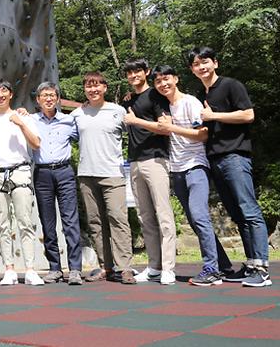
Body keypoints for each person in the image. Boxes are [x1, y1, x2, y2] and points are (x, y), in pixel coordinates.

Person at [188, 46, 270, 287]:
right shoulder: (201, 93)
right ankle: (251, 264)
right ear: (192, 70)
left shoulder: (231, 85)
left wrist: (214, 116)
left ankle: (262, 269)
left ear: (215, 63)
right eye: (196, 64)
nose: (201, 67)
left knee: (249, 210)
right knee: (237, 214)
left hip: (235, 156)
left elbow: (248, 115)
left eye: (205, 61)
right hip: (215, 160)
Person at [151, 65, 233, 286]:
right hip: (176, 170)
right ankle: (222, 266)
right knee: (195, 221)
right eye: (158, 81)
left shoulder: (190, 102)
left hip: (196, 166)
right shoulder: (164, 107)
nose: (163, 84)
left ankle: (211, 269)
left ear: (176, 79)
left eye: (166, 79)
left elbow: (202, 134)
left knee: (199, 216)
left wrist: (171, 128)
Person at [0, 80, 43, 286]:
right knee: (2, 223)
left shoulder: (24, 117)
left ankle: (30, 269)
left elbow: (36, 143)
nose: (0, 94)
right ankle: (9, 269)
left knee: (25, 221)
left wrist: (21, 123)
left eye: (4, 90)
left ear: (11, 94)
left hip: (20, 171)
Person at [71, 72, 135, 284]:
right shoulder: (77, 114)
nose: (93, 90)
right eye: (89, 86)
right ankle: (105, 267)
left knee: (118, 219)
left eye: (97, 85)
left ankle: (125, 267)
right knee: (95, 222)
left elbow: (136, 131)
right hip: (86, 174)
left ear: (105, 87)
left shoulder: (118, 111)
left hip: (113, 173)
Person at [121, 58, 177, 285]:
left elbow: (166, 127)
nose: (133, 75)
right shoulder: (129, 99)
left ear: (146, 72)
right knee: (145, 217)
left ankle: (169, 268)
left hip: (156, 159)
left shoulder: (155, 95)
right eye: (129, 73)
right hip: (134, 162)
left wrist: (136, 121)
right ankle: (154, 266)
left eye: (137, 71)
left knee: (164, 215)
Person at [29, 81, 83, 285]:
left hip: (64, 171)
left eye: (52, 95)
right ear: (38, 100)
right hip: (42, 173)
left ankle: (75, 269)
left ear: (58, 98)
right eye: (44, 95)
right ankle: (54, 268)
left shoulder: (69, 121)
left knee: (70, 221)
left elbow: (84, 136)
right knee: (48, 222)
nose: (49, 99)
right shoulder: (31, 120)